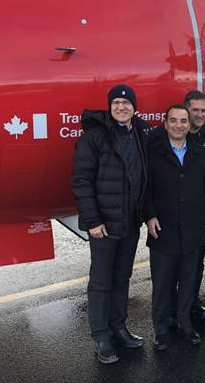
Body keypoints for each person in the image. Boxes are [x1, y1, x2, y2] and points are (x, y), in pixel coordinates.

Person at [72, 85, 150, 364]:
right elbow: (81, 180)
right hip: (103, 226)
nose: (121, 107)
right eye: (116, 103)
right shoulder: (94, 137)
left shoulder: (140, 134)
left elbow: (145, 178)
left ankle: (119, 327)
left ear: (134, 108)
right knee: (101, 282)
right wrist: (92, 221)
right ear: (110, 106)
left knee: (122, 278)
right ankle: (102, 337)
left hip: (130, 223)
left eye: (126, 103)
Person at [144, 105, 205, 351]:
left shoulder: (201, 153)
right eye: (173, 120)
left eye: (183, 121)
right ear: (165, 124)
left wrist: (201, 213)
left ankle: (186, 325)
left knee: (188, 283)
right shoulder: (153, 153)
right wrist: (150, 216)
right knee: (162, 285)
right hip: (163, 232)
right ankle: (161, 331)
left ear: (189, 125)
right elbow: (146, 190)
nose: (178, 125)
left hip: (193, 232)